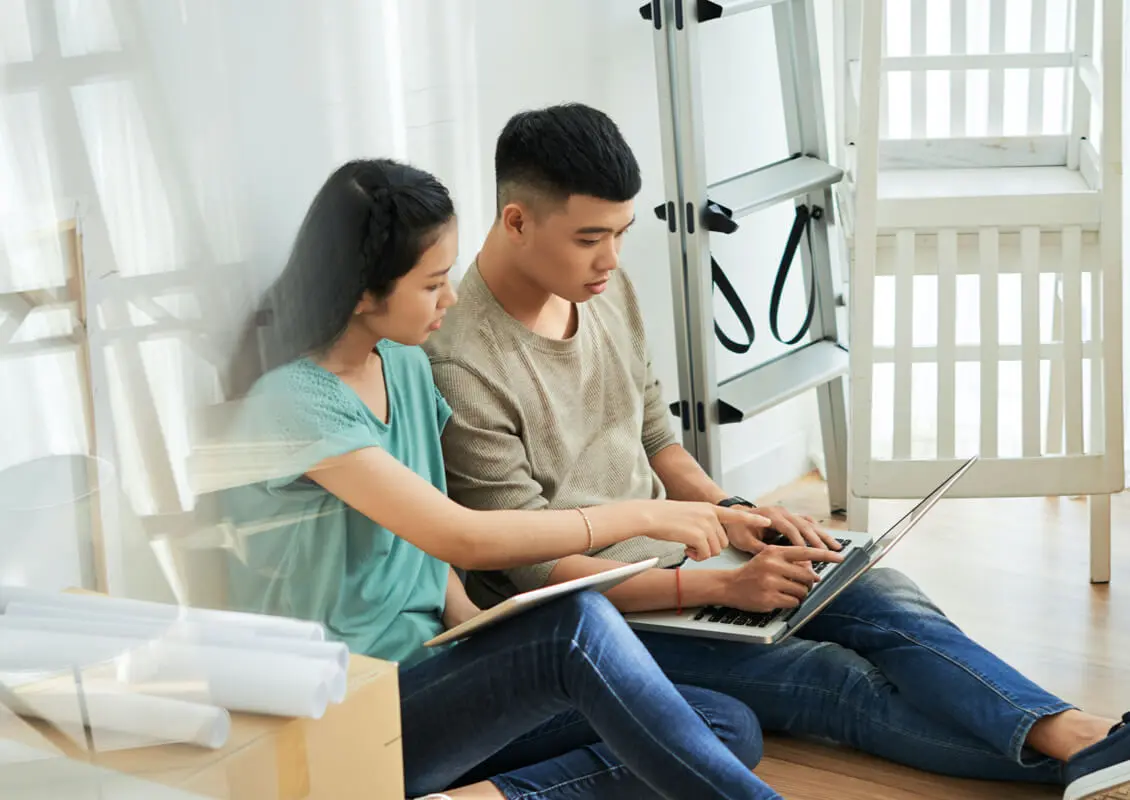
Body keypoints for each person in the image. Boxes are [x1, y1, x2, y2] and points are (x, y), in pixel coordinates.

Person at [423, 103, 1130, 800]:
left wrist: (735, 514)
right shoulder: (461, 363)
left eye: (621, 232)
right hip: (604, 617)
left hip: (686, 563)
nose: (611, 258)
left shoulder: (601, 287)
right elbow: (537, 575)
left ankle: (1084, 738)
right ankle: (1096, 751)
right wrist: (719, 589)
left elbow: (656, 439)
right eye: (590, 238)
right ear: (517, 220)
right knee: (829, 680)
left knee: (877, 595)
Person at [215, 158, 792, 800]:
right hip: (344, 712)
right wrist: (646, 515)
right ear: (361, 292)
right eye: (433, 283)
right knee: (577, 624)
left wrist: (488, 639)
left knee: (726, 725)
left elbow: (430, 564)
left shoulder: (403, 366)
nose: (452, 297)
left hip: (432, 682)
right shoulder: (295, 404)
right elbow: (458, 536)